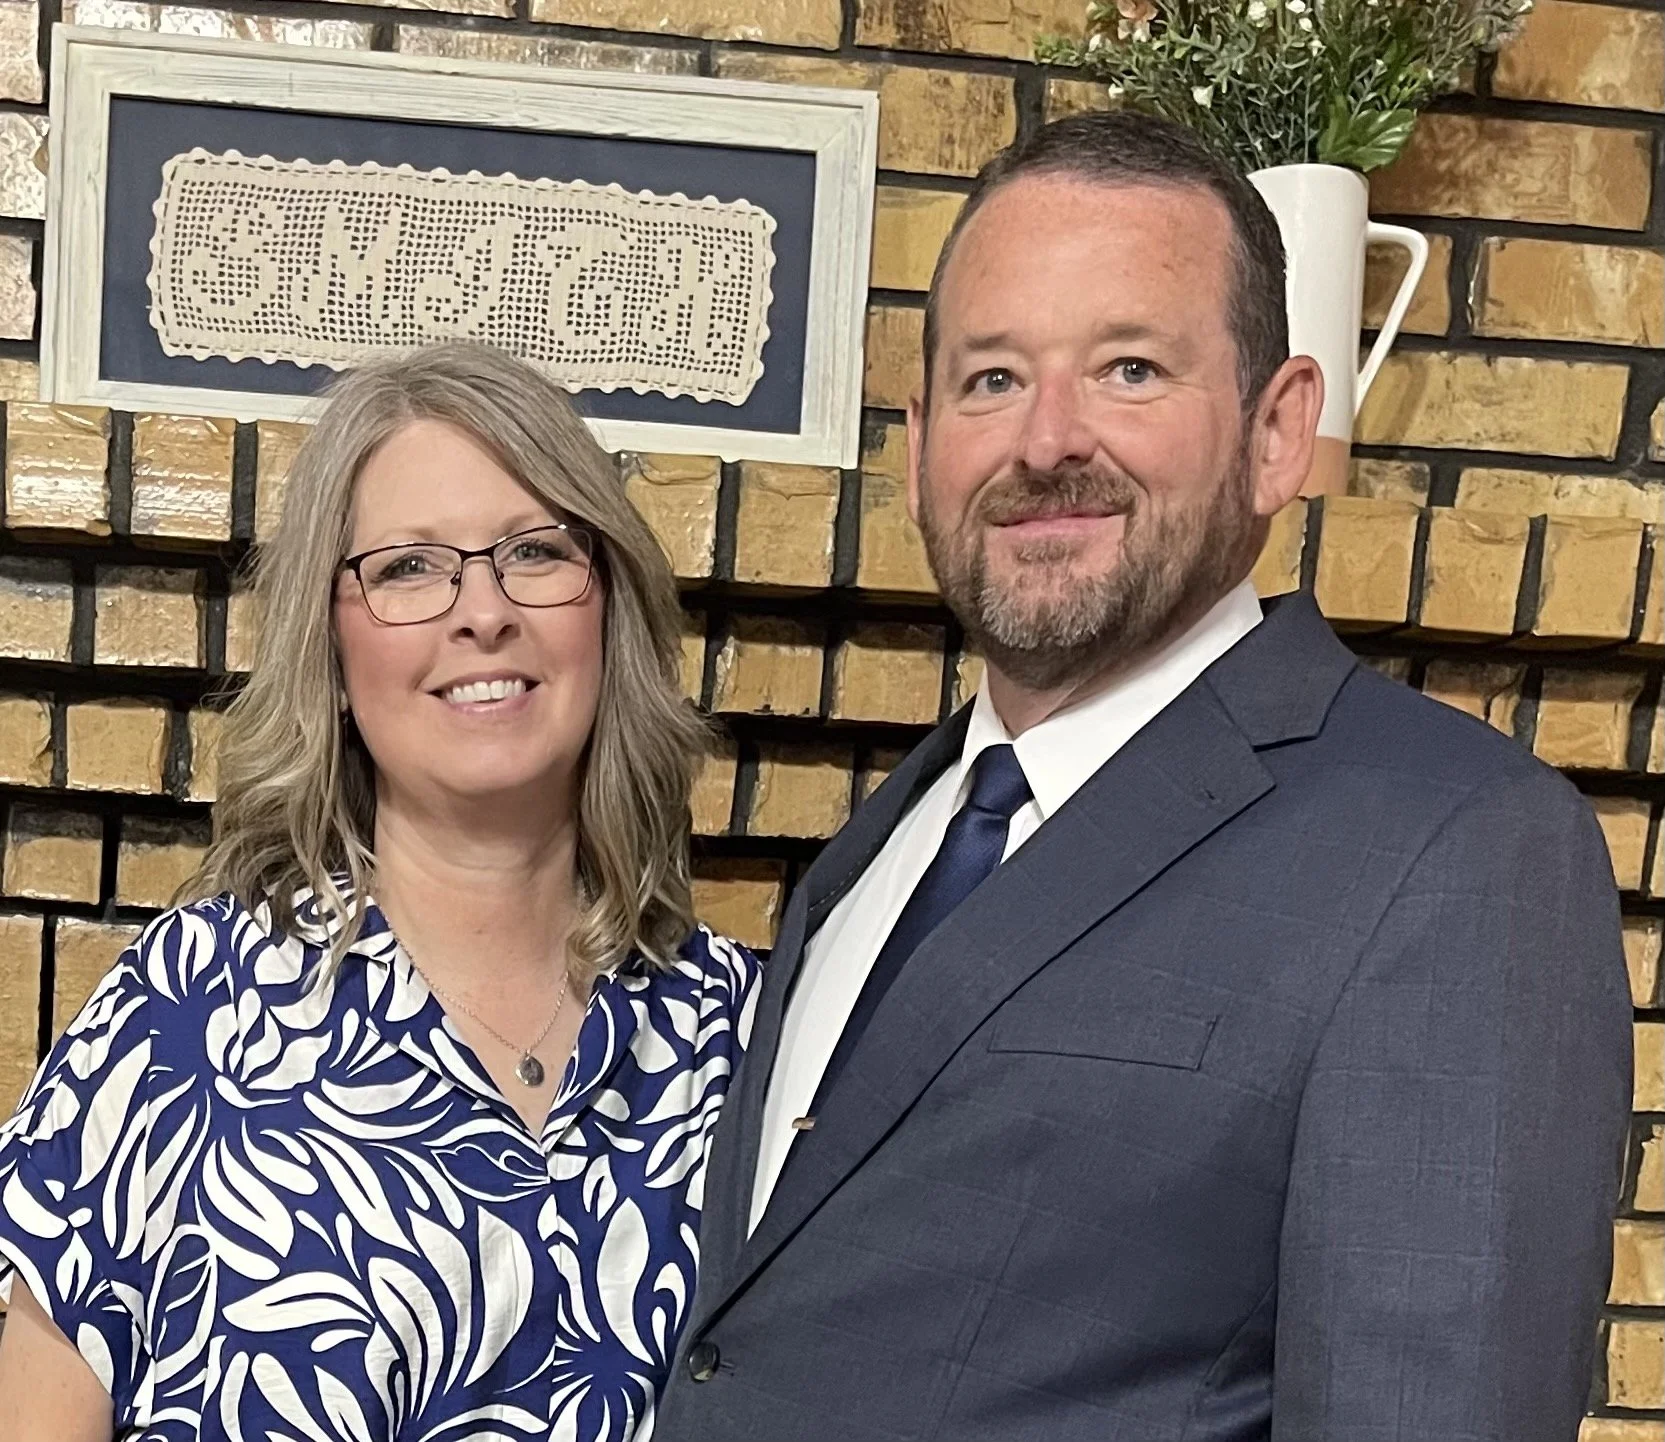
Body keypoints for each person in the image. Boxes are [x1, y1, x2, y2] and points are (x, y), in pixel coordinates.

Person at [655, 112, 1633, 1441]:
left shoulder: (1450, 854)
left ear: (1278, 429)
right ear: (918, 443)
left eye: (1128, 367)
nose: (1049, 438)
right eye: (993, 378)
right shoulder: (874, 855)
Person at [0, 342, 759, 1442]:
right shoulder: (190, 1012)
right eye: (408, 567)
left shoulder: (747, 1038)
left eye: (536, 551)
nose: (482, 612)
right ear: (333, 647)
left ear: (611, 612)